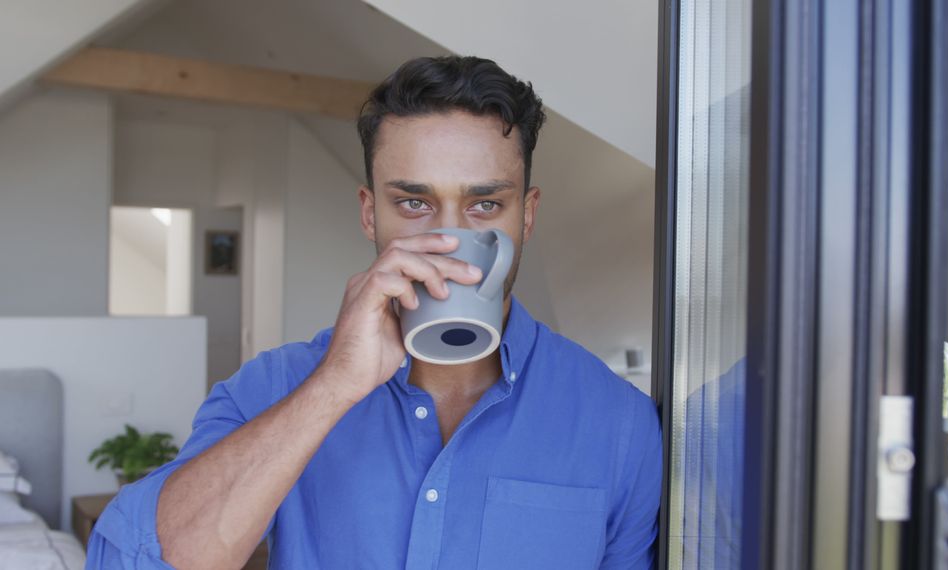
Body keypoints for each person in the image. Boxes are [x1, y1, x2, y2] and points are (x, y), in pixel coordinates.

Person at [85, 55, 662, 569]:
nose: (447, 239)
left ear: (527, 217)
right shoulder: (272, 387)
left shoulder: (620, 424)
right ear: (369, 213)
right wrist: (335, 384)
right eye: (414, 203)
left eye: (485, 204)